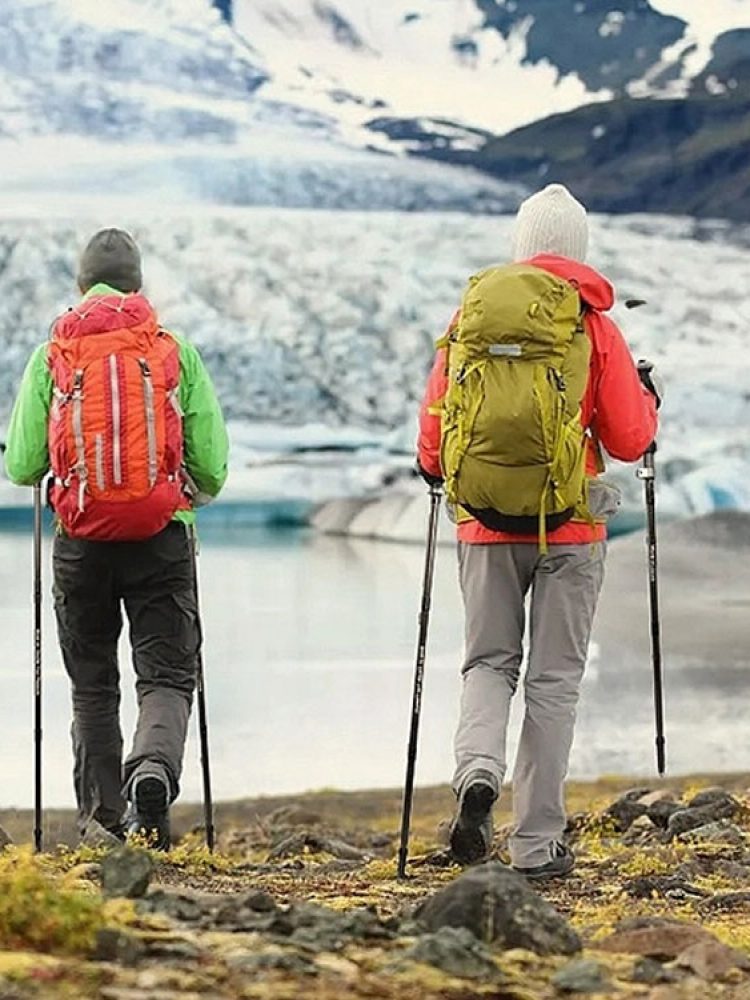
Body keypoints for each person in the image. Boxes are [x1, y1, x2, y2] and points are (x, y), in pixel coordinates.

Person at [416, 184, 661, 880]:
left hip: (486, 527)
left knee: (489, 663)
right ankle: (536, 842)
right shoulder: (593, 327)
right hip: (573, 528)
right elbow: (626, 435)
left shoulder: (472, 317)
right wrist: (648, 400)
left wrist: (436, 470)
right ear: (577, 249)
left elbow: (436, 430)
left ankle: (477, 773)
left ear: (520, 245)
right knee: (554, 681)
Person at [5, 228, 229, 849]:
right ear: (138, 286)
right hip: (162, 537)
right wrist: (188, 496)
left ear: (80, 287)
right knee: (167, 673)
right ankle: (152, 771)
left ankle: (101, 822)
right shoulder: (172, 351)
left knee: (93, 685)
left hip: (81, 542)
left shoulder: (54, 353)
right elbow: (211, 461)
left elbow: (22, 465)